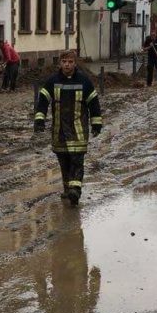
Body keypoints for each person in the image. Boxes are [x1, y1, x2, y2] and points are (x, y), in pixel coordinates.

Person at [34, 50, 102, 206]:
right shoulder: (52, 81)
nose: (67, 64)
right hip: (59, 131)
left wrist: (96, 123)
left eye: (70, 62)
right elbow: (43, 101)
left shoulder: (84, 82)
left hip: (78, 130)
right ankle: (67, 189)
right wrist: (39, 120)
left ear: (75, 63)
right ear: (60, 63)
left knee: (77, 160)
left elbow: (94, 103)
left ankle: (75, 190)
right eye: (64, 61)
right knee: (64, 161)